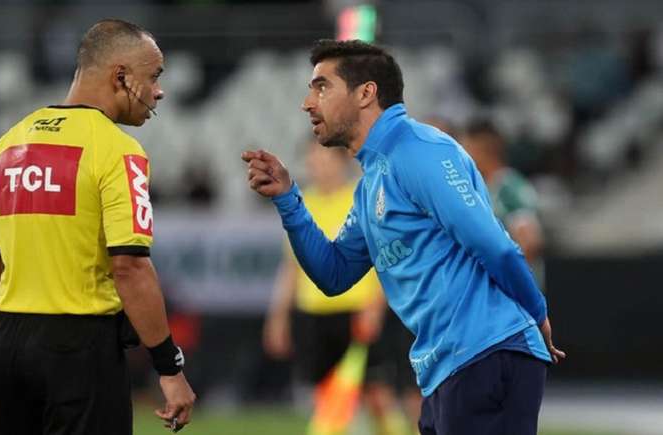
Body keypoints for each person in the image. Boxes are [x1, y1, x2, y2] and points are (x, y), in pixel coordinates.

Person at [242, 39, 565, 435]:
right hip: (447, 369)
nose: (308, 102)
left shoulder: (420, 151)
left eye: (322, 86)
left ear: (366, 93)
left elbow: (494, 244)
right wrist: (290, 200)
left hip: (487, 353)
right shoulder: (372, 181)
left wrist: (537, 312)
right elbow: (334, 273)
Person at [0, 19, 195, 435]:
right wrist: (169, 367)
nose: (159, 91)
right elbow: (130, 267)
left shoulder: (7, 145)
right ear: (121, 77)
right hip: (78, 348)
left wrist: (5, 341)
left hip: (4, 346)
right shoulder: (118, 151)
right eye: (154, 76)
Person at [263, 140, 411, 435]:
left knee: (377, 395)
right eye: (314, 160)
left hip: (356, 311)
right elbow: (291, 267)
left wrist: (375, 306)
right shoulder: (303, 204)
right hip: (314, 314)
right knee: (327, 400)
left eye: (326, 159)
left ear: (343, 161)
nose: (319, 166)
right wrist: (278, 317)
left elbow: (387, 259)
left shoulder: (363, 198)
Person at [459, 119, 544, 275]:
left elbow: (529, 241)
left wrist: (507, 278)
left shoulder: (509, 188)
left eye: (466, 150)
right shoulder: (477, 188)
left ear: (482, 150)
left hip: (512, 292)